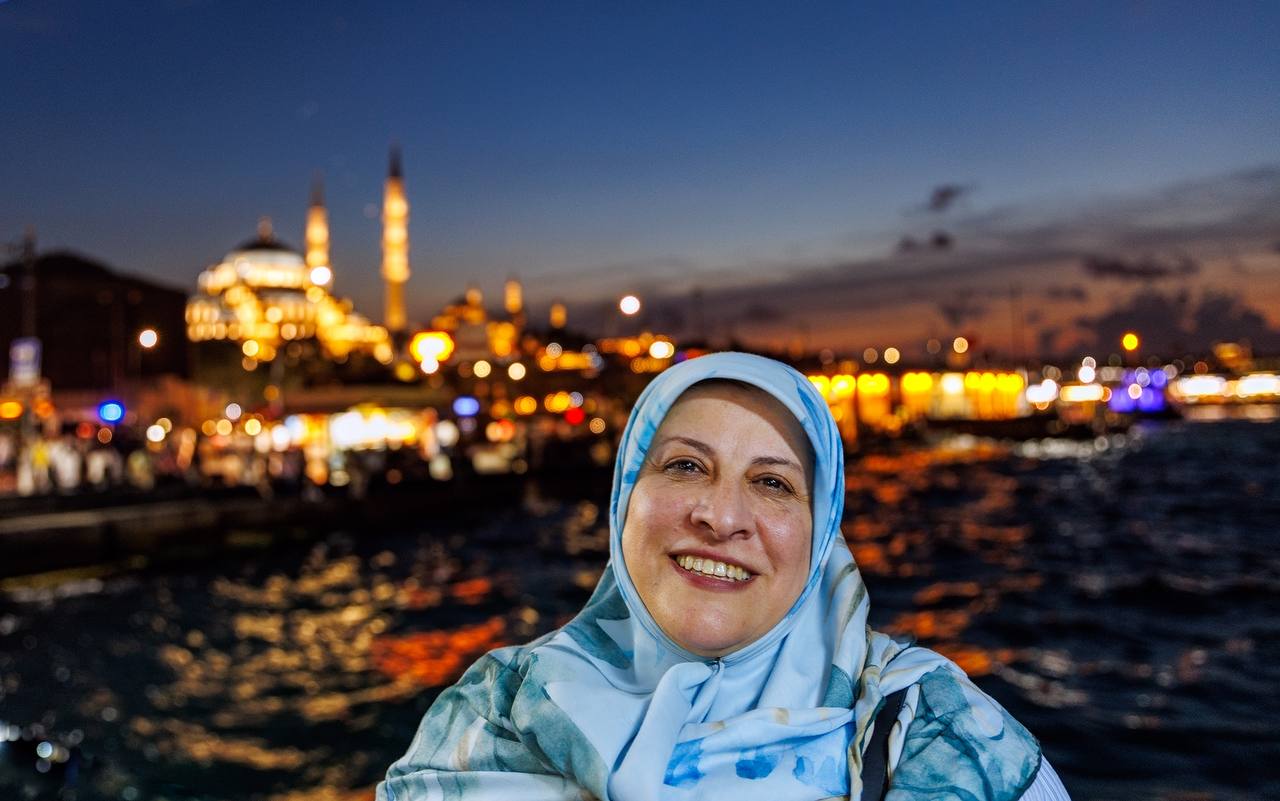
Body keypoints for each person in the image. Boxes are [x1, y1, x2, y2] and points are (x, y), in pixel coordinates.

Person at [379, 352, 1070, 800]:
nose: (720, 516)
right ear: (626, 500)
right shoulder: (493, 716)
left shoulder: (934, 732)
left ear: (820, 532)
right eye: (685, 465)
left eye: (771, 482)